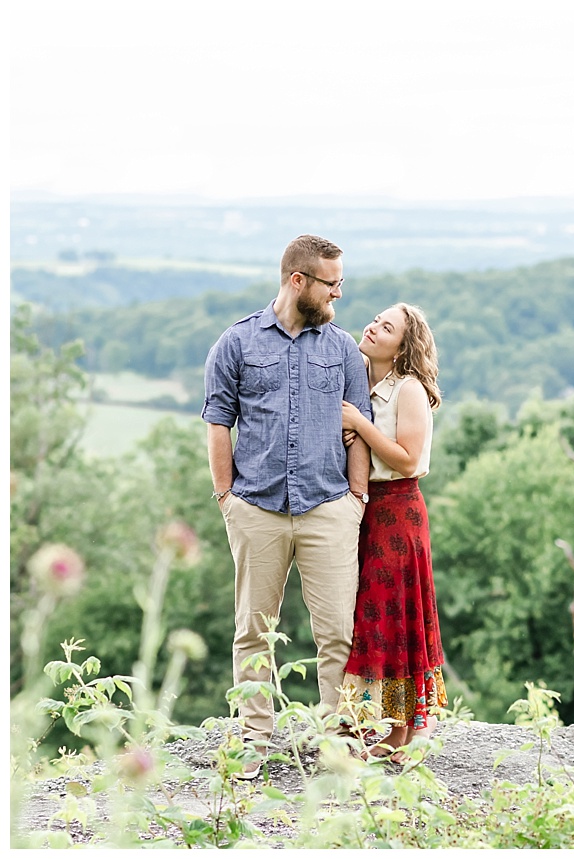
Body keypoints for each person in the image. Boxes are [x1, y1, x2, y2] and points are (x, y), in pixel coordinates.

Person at [202, 234, 372, 774]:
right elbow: (217, 423)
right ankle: (253, 742)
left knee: (338, 632)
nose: (338, 295)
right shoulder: (236, 344)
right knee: (254, 630)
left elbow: (359, 428)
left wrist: (358, 499)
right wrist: (227, 497)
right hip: (256, 508)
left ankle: (334, 743)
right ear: (298, 281)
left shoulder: (343, 349)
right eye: (331, 284)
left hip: (330, 507)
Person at [337, 302, 448, 762]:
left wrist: (359, 426)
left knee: (394, 615)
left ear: (403, 347)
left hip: (399, 510)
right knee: (370, 616)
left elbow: (405, 458)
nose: (374, 327)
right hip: (365, 510)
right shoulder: (358, 378)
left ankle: (409, 727)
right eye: (376, 320)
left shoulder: (409, 390)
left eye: (388, 328)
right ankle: (385, 727)